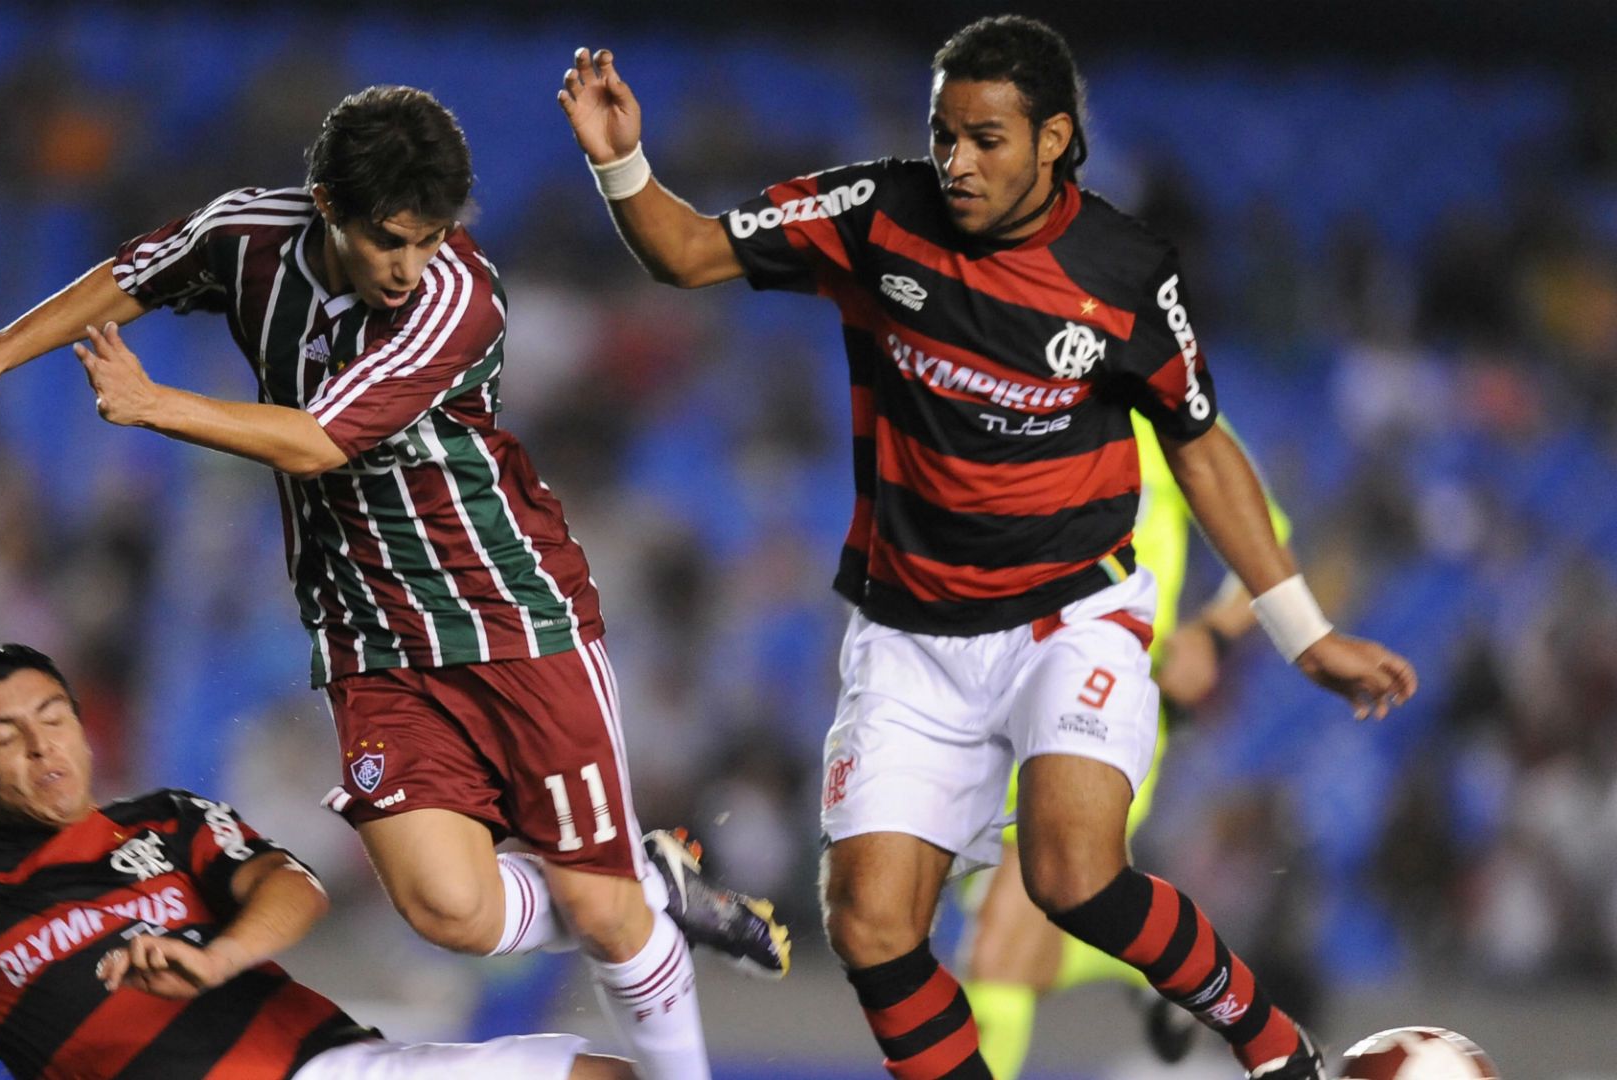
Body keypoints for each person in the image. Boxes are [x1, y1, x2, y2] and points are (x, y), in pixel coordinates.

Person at [559, 16, 1417, 1080]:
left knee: (1070, 878)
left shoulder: (1125, 273)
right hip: (909, 632)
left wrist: (1303, 634)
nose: (956, 162)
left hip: (1072, 613)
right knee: (870, 925)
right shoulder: (874, 212)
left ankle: (1268, 1040)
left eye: (987, 139)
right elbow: (686, 251)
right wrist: (620, 160)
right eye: (943, 134)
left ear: (1054, 140)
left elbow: (1201, 445)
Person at [0, 86, 787, 1080]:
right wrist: (1, 350)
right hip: (369, 637)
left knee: (600, 911)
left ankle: (646, 937)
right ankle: (645, 878)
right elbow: (134, 273)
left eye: (429, 238)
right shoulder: (247, 234)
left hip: (509, 617)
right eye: (389, 241)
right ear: (324, 205)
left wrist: (152, 404)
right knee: (449, 910)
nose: (408, 265)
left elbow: (317, 442)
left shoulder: (458, 299)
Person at [0, 642, 634, 1079]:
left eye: (56, 718)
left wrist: (220, 957)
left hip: (324, 1067)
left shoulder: (168, 820)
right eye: (6, 738)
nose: (44, 748)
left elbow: (292, 888)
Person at [956, 414, 1294, 1078]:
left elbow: (1268, 539)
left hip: (1102, 698)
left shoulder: (1160, 406)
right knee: (1033, 935)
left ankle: (1168, 966)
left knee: (996, 952)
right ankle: (1162, 966)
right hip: (983, 694)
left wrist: (1212, 637)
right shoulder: (1005, 388)